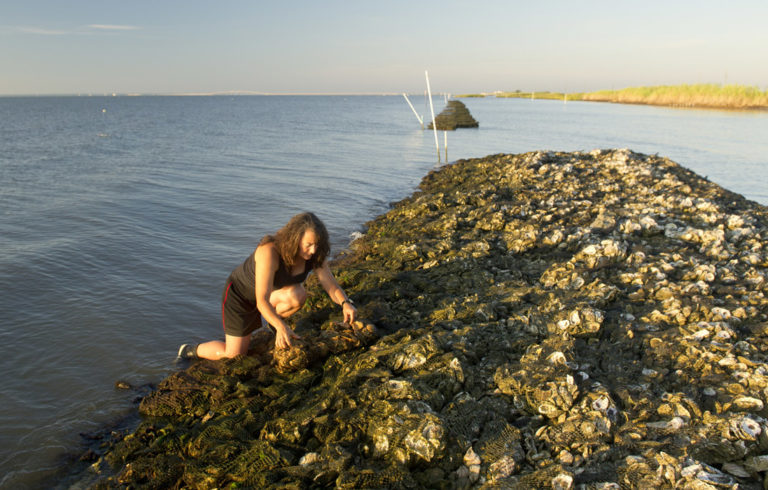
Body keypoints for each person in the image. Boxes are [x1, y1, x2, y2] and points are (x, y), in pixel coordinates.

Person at [177, 212, 357, 360]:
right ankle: (190, 350)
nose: (313, 251)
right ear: (295, 238)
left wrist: (345, 303)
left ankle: (272, 324)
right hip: (240, 297)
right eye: (308, 245)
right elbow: (261, 300)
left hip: (268, 296)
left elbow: (330, 285)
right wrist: (282, 326)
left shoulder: (315, 255)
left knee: (298, 295)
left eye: (317, 245)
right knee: (234, 355)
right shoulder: (269, 251)